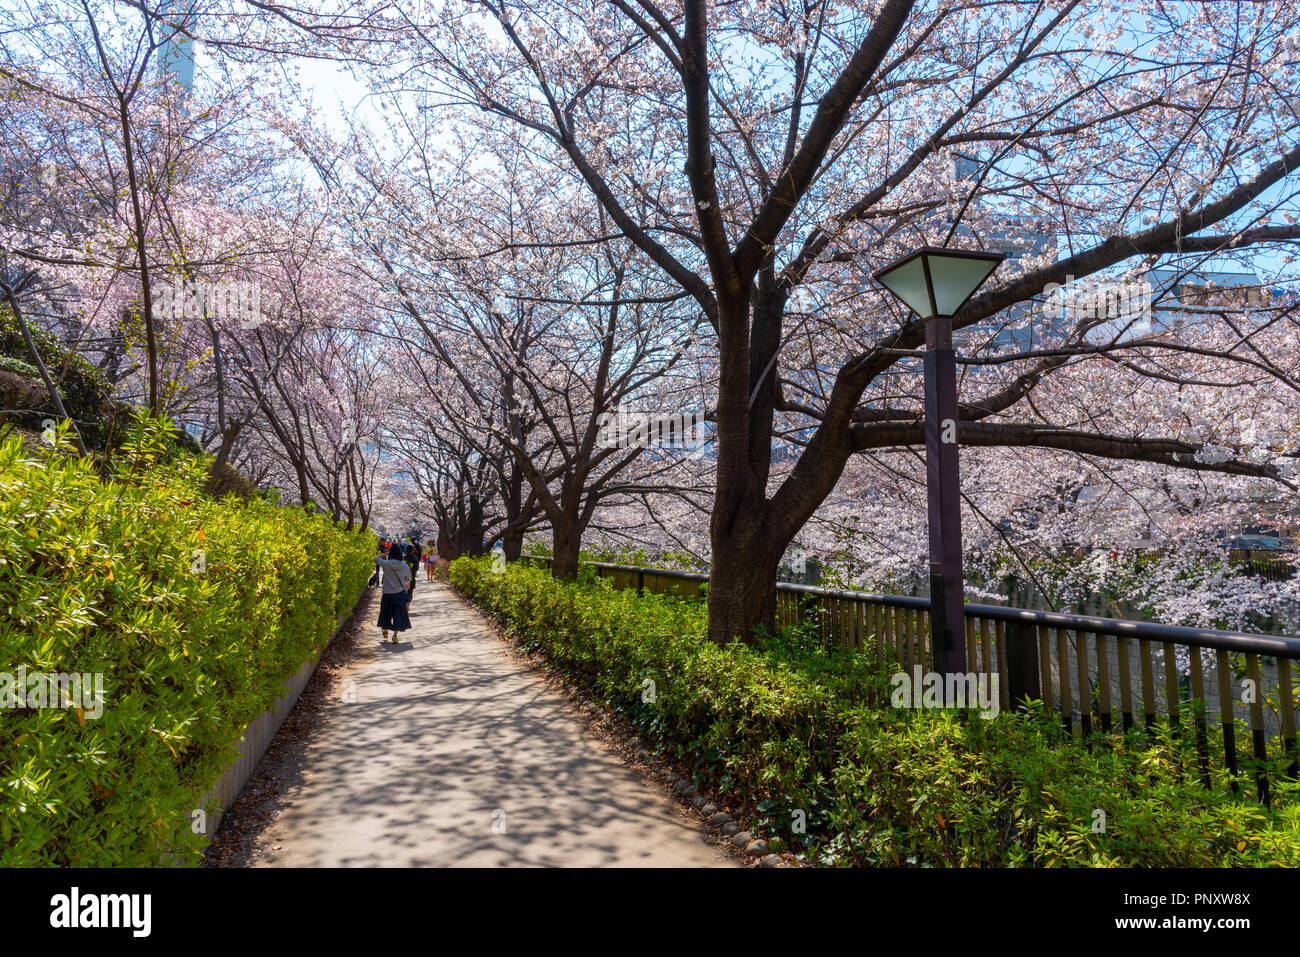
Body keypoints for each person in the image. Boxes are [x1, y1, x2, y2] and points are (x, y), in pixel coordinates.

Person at [375, 542, 412, 642]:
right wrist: (406, 584)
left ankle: (385, 630)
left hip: (387, 593)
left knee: (385, 612)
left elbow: (375, 558)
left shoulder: (386, 564)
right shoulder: (404, 566)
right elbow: (408, 578)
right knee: (398, 614)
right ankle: (395, 636)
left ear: (390, 553)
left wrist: (385, 554)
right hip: (399, 593)